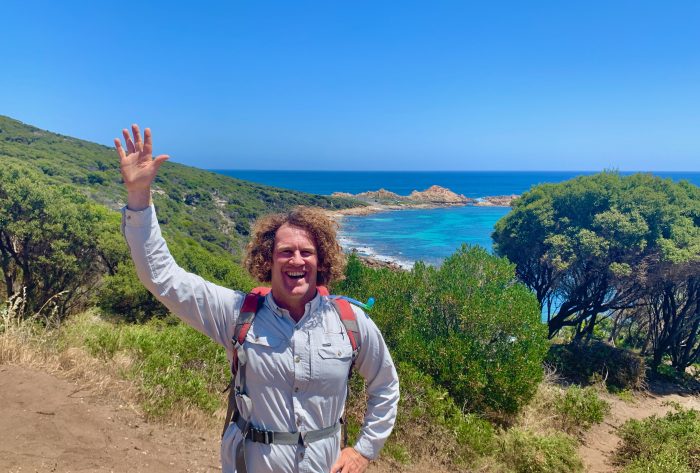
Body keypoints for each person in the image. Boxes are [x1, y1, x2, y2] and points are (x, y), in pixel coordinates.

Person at [115, 124, 399, 473]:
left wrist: (363, 451)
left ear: (321, 260)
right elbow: (162, 277)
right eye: (285, 252)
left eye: (306, 252)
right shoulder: (237, 314)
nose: (297, 260)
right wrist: (140, 196)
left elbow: (385, 385)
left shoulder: (349, 321)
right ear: (268, 259)